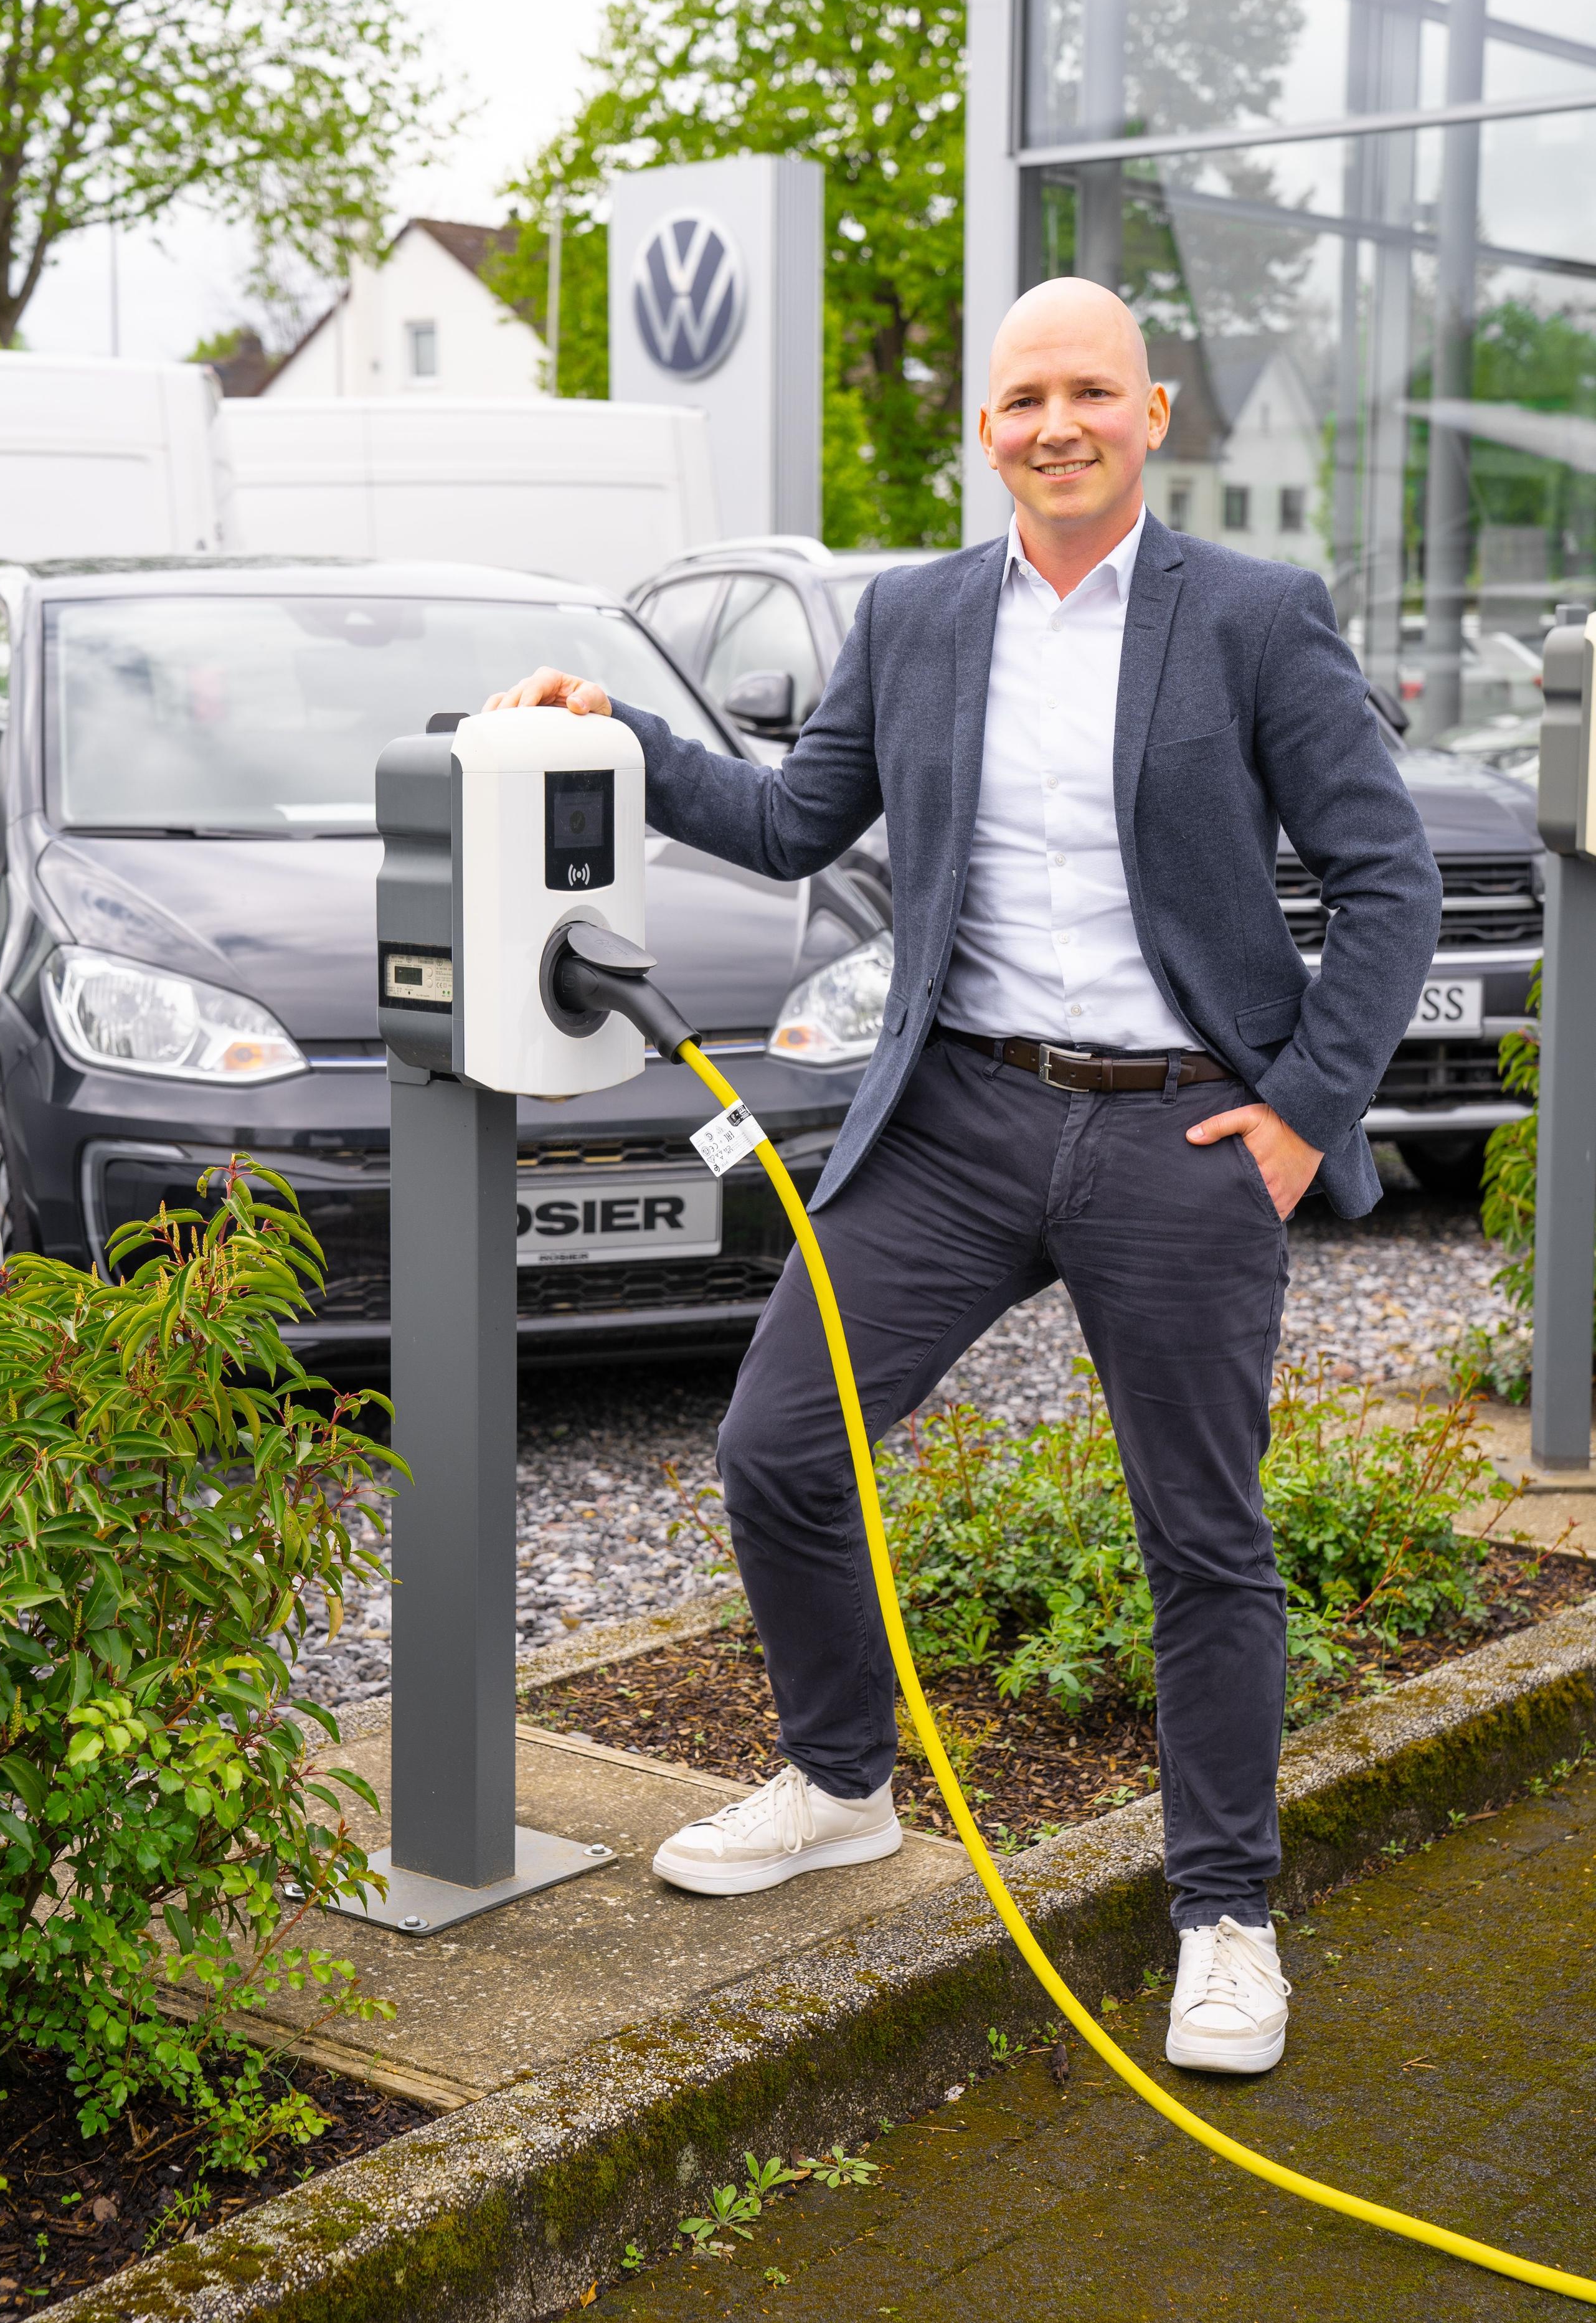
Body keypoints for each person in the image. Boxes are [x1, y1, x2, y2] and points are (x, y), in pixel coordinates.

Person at [484, 278, 1441, 2076]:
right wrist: (617, 733)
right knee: (778, 1443)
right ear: (984, 430)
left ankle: (1224, 1916)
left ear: (1152, 414)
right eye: (1021, 400)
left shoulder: (1250, 616)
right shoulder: (917, 616)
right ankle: (840, 1782)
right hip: (957, 1119)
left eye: (1088, 392)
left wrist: (1306, 1111)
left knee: (1201, 1538)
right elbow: (791, 821)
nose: (1054, 424)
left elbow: (1380, 877)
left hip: (1179, 1133)